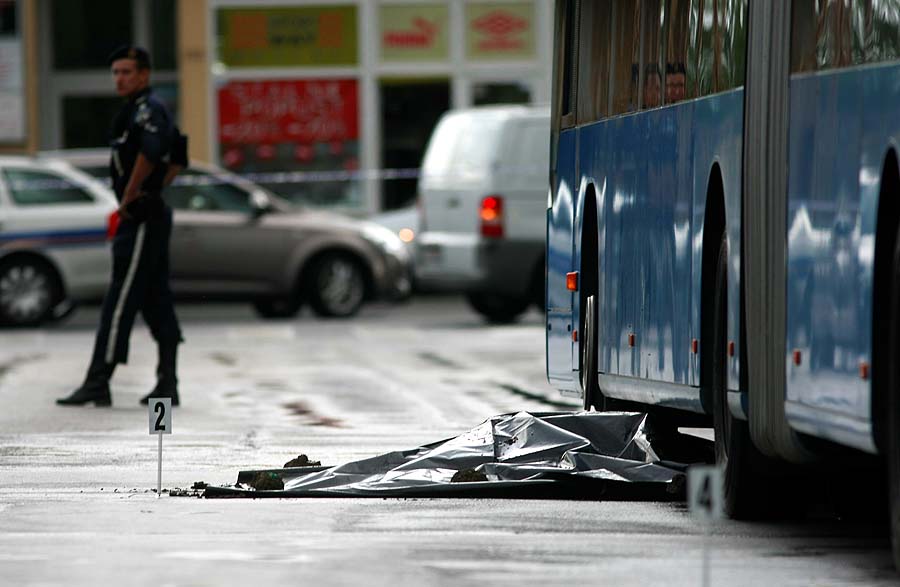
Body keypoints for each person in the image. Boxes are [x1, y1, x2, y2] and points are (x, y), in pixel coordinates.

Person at [57, 46, 187, 407]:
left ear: (144, 75)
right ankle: (168, 381)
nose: (119, 78)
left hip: (142, 217)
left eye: (126, 72)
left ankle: (98, 380)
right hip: (148, 213)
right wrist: (151, 189)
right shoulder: (138, 110)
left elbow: (157, 151)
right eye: (115, 72)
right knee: (154, 297)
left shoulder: (148, 109)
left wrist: (133, 194)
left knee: (120, 299)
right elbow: (178, 154)